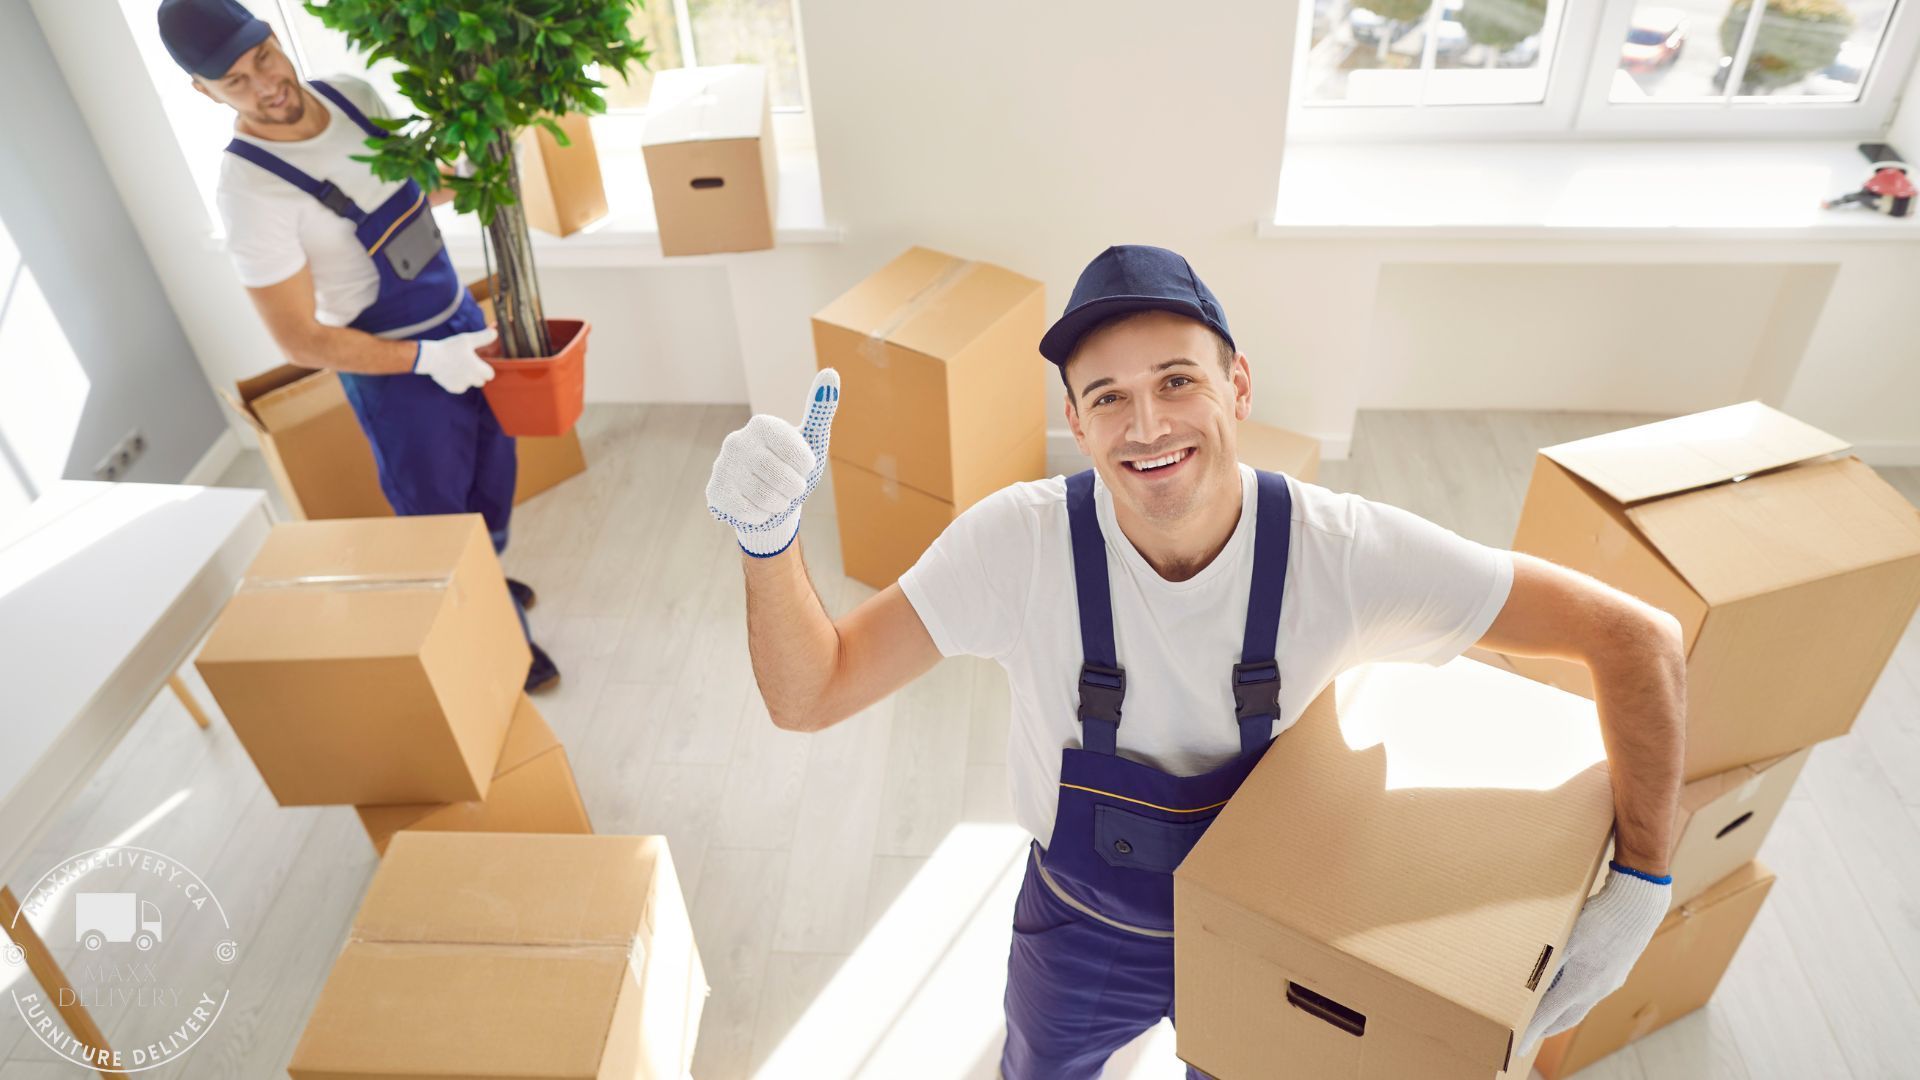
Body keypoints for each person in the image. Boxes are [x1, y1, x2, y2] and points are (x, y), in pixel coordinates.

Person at [706, 244, 1685, 1077]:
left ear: (1238, 385)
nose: (1147, 426)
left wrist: (1640, 887)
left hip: (1275, 935)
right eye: (1108, 397)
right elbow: (812, 693)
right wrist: (768, 543)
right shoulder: (1017, 547)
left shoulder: (1339, 554)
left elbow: (1637, 638)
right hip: (1078, 931)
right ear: (1075, 421)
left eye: (1178, 380)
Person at [157, 0, 557, 691]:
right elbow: (300, 337)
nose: (266, 85)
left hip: (460, 319)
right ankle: (501, 642)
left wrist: (483, 166)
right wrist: (428, 361)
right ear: (205, 92)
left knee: (494, 476)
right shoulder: (250, 192)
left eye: (263, 59)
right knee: (438, 518)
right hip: (397, 375)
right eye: (236, 83)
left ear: (275, 39)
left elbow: (410, 187)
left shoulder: (353, 95)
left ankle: (487, 573)